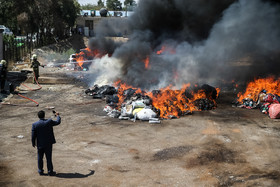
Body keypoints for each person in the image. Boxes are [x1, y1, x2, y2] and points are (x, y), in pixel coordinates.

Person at [32, 110, 61, 176]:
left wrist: (33, 143)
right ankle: (50, 172)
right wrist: (58, 116)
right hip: (48, 143)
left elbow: (33, 135)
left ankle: (40, 171)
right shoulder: (49, 122)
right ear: (44, 115)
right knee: (48, 158)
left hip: (40, 144)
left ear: (38, 116)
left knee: (40, 158)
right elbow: (58, 122)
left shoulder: (34, 124)